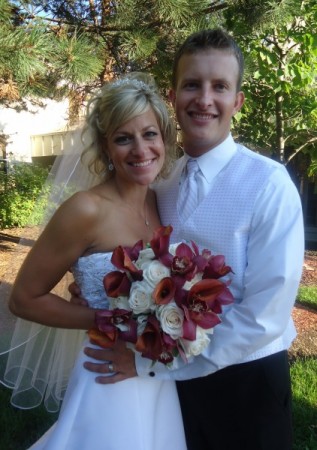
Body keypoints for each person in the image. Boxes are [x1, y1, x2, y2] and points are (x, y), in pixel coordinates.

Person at [77, 29, 304, 450]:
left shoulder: (269, 184)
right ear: (174, 95)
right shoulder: (160, 181)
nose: (205, 99)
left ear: (236, 100)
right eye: (192, 85)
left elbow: (264, 315)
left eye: (219, 86)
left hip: (246, 383)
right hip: (170, 388)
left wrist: (155, 365)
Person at [7, 73, 187, 449]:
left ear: (164, 138)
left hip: (153, 373)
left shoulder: (158, 201)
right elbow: (24, 298)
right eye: (124, 138)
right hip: (107, 371)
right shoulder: (85, 210)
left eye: (149, 134)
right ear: (106, 148)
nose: (140, 149)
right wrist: (110, 318)